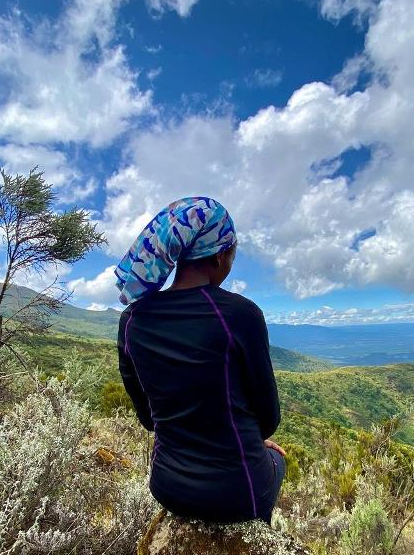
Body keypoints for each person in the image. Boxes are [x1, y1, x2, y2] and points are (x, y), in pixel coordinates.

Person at [114, 196, 286, 526]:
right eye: (232, 255)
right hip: (238, 491)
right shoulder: (239, 314)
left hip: (167, 485)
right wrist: (252, 440)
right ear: (221, 255)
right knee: (277, 461)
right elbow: (268, 417)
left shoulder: (132, 320)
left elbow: (149, 419)